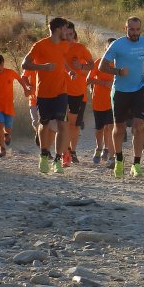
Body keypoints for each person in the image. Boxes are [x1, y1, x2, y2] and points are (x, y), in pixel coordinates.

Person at [99, 16, 144, 178]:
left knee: (138, 128)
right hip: (120, 91)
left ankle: (136, 164)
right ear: (126, 29)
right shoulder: (118, 45)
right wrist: (118, 71)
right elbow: (102, 66)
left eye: (138, 29)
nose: (135, 33)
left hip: (139, 90)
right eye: (132, 29)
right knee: (119, 128)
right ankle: (119, 160)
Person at [22, 17, 72, 174]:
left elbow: (61, 59)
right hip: (43, 92)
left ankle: (57, 159)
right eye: (65, 29)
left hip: (61, 92)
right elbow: (25, 64)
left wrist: (69, 70)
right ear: (58, 30)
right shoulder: (40, 46)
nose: (67, 33)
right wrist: (42, 67)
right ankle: (44, 155)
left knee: (62, 125)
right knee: (44, 124)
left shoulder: (65, 45)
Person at [63, 22, 94, 167]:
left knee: (74, 125)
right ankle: (65, 152)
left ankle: (72, 151)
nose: (68, 37)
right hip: (61, 91)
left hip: (79, 92)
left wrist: (80, 66)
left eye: (71, 34)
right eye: (66, 34)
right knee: (65, 124)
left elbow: (92, 65)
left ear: (74, 34)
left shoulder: (80, 48)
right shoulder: (58, 48)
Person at [87, 37, 116, 166]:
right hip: (98, 100)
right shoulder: (99, 62)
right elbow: (89, 79)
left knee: (110, 127)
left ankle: (110, 153)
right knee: (100, 129)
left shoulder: (119, 64)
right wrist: (104, 83)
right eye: (109, 47)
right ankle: (98, 148)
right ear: (105, 49)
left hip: (113, 102)